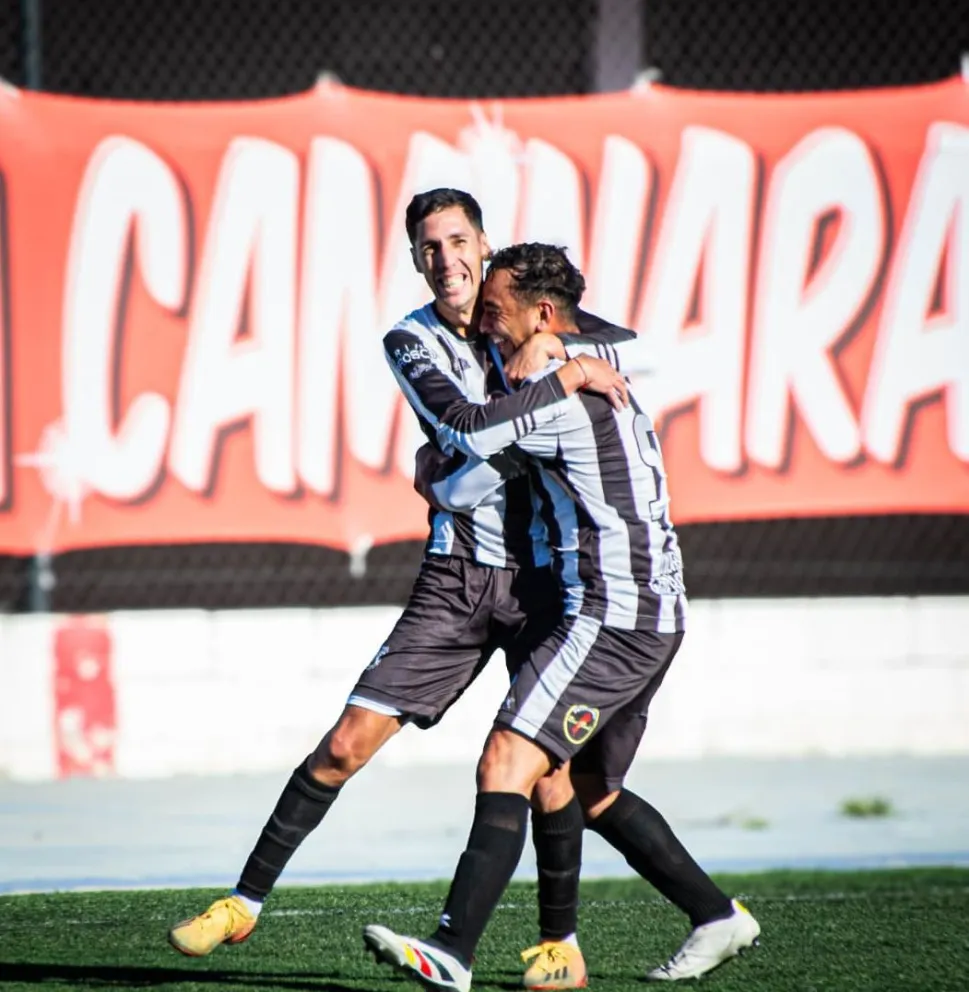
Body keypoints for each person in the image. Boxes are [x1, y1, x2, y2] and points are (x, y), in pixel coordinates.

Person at [167, 191, 652, 991]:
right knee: (344, 743)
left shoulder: (528, 320)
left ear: (485, 245)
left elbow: (600, 369)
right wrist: (544, 402)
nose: (446, 259)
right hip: (456, 579)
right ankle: (243, 900)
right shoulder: (410, 339)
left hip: (546, 581)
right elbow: (463, 426)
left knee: (550, 771)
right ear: (414, 258)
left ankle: (560, 946)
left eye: (459, 241)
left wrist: (476, 453)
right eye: (428, 247)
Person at [363, 243, 761, 990]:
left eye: (495, 314)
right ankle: (714, 915)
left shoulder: (564, 391)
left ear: (542, 315)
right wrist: (560, 349)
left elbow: (467, 445)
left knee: (506, 760)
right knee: (587, 789)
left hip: (612, 617)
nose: (484, 329)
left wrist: (554, 370)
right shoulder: (576, 366)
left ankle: (453, 949)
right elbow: (603, 338)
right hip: (651, 613)